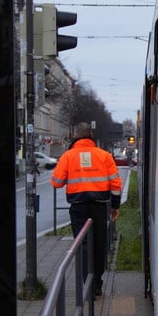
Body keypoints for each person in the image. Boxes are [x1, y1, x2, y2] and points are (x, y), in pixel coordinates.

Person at [51, 123, 122, 296]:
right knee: (99, 244)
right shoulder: (104, 155)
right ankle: (96, 282)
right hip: (99, 207)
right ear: (91, 135)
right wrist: (115, 206)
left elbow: (56, 182)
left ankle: (87, 284)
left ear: (75, 136)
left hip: (78, 208)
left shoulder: (68, 156)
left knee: (82, 245)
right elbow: (115, 184)